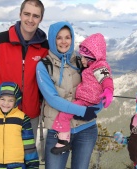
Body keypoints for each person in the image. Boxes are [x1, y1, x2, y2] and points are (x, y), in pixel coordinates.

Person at [36, 21, 112, 169]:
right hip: (57, 131)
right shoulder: (44, 65)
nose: (64, 42)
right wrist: (83, 111)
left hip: (86, 129)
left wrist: (96, 108)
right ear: (52, 39)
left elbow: (100, 84)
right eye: (59, 38)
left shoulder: (81, 61)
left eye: (67, 37)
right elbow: (52, 99)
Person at [0, 0, 48, 141]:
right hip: (1, 113)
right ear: (20, 14)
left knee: (26, 159)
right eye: (27, 14)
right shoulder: (0, 41)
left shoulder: (45, 46)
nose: (30, 20)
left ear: (41, 19)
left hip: (30, 116)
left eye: (35, 16)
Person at [50, 33, 114, 154]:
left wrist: (108, 91)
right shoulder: (93, 66)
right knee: (67, 115)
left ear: (94, 57)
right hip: (87, 99)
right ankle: (65, 140)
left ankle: (63, 142)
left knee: (63, 116)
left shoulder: (99, 66)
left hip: (87, 100)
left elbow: (106, 79)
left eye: (85, 57)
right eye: (81, 56)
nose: (82, 60)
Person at [0, 82, 39, 169]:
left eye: (11, 100)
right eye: (3, 99)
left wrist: (32, 166)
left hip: (16, 165)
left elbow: (29, 146)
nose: (6, 103)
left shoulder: (23, 119)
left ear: (16, 101)